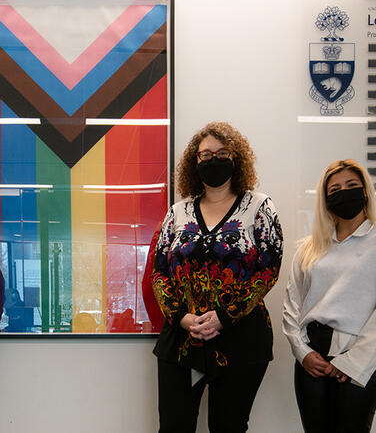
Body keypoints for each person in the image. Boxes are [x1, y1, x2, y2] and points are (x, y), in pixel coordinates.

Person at [151, 122, 283, 433]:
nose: (213, 159)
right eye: (205, 155)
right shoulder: (177, 212)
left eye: (222, 153)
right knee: (174, 426)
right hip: (182, 338)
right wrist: (181, 317)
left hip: (241, 338)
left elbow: (269, 269)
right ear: (193, 163)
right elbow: (160, 271)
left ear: (237, 159)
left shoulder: (260, 207)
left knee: (229, 426)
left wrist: (224, 317)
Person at [282, 159, 376, 433]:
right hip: (313, 355)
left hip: (360, 352)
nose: (343, 193)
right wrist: (303, 352)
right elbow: (292, 305)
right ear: (324, 199)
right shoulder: (309, 248)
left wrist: (353, 361)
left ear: (366, 191)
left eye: (351, 186)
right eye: (334, 189)